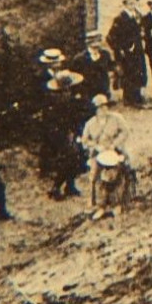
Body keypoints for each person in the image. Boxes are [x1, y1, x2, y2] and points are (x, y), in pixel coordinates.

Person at [34, 50, 88, 199]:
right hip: (59, 130)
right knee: (68, 157)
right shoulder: (58, 98)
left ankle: (69, 186)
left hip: (68, 129)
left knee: (72, 157)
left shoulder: (65, 96)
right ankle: (56, 187)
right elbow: (63, 116)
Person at [79, 94, 132, 220]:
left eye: (105, 107)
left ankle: (116, 204)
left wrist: (114, 144)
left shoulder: (116, 118)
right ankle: (99, 206)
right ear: (95, 110)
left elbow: (125, 131)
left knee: (116, 175)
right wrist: (96, 146)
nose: (103, 110)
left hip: (116, 151)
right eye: (99, 108)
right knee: (95, 176)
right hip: (99, 153)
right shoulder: (90, 124)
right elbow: (85, 140)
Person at [106, 0, 148, 107]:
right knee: (128, 74)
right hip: (126, 52)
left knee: (139, 72)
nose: (133, 5)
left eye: (134, 3)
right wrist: (119, 49)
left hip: (137, 50)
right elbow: (110, 37)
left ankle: (137, 97)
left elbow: (141, 31)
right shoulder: (120, 18)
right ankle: (129, 99)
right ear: (125, 4)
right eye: (130, 3)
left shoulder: (137, 16)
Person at [68, 31, 116, 103]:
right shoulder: (79, 59)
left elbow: (110, 69)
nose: (97, 43)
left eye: (99, 40)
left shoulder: (105, 54)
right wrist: (77, 93)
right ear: (88, 43)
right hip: (87, 94)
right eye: (94, 41)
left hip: (103, 91)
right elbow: (74, 77)